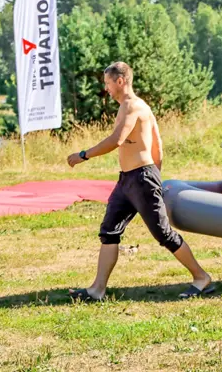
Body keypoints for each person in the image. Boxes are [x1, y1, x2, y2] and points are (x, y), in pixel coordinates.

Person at [67, 62, 213, 300]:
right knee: (109, 231)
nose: (106, 88)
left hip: (141, 178)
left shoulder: (132, 106)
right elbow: (158, 144)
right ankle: (97, 290)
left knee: (163, 234)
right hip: (128, 180)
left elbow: (116, 139)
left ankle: (201, 277)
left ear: (120, 81)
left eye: (108, 83)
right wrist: (156, 172)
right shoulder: (133, 107)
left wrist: (84, 155)